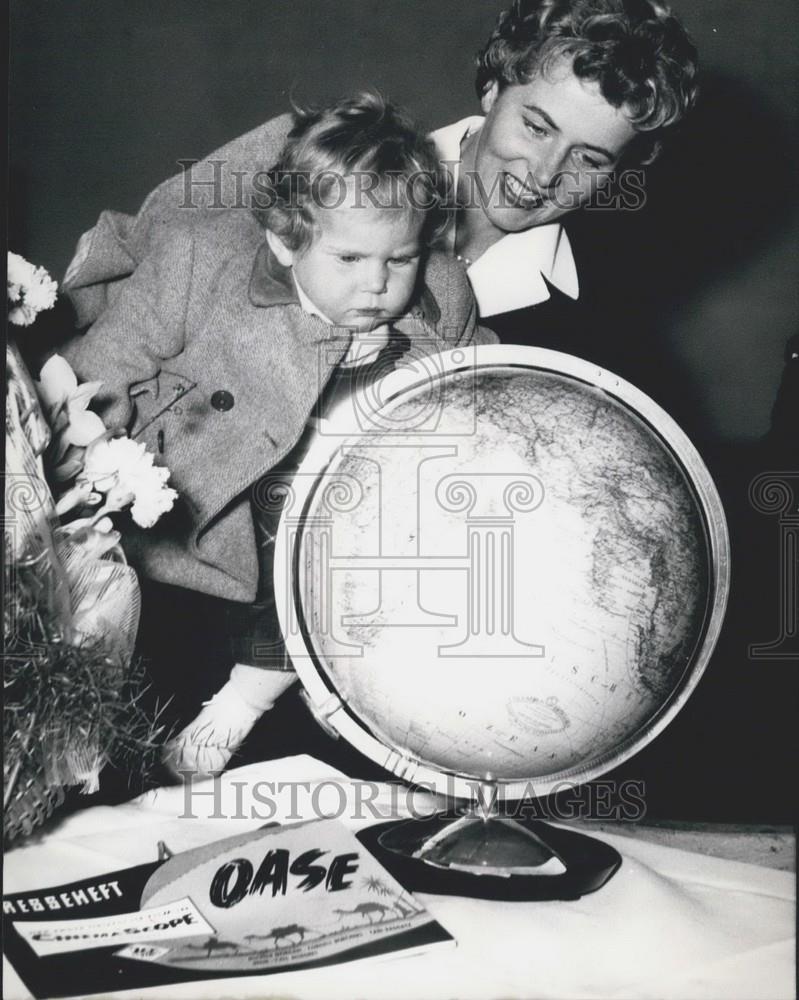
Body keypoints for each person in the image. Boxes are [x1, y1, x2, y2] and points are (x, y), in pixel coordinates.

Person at [61, 93, 492, 775]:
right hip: (194, 506)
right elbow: (95, 374)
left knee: (371, 550)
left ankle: (248, 700)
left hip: (330, 533)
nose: (379, 284)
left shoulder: (442, 299)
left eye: (400, 258)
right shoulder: (200, 261)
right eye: (349, 259)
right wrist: (111, 467)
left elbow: (485, 399)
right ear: (286, 240)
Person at [68, 0, 697, 355]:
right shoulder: (311, 152)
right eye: (536, 126)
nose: (545, 173)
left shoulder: (589, 330)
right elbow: (127, 257)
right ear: (492, 87)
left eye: (589, 160)